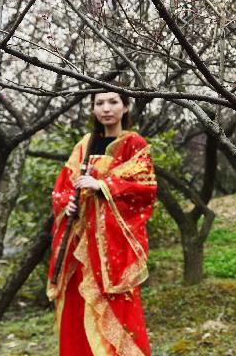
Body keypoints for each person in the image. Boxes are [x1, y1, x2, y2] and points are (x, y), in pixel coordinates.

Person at [47, 90, 157, 356]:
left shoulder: (133, 143)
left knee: (117, 311)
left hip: (110, 256)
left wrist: (103, 186)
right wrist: (67, 204)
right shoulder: (84, 145)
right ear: (93, 109)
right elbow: (63, 186)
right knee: (77, 310)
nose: (106, 108)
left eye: (113, 102)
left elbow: (145, 189)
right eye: (100, 103)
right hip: (79, 250)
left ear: (125, 107)